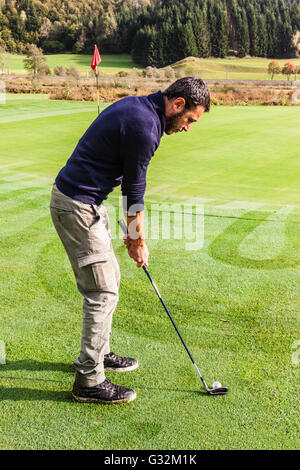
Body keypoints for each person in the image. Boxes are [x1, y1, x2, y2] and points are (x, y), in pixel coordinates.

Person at [50, 77, 210, 404]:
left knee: (110, 279)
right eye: (190, 119)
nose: (188, 128)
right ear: (177, 104)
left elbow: (124, 178)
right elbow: (134, 191)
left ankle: (100, 353)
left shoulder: (141, 108)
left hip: (86, 203)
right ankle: (89, 380)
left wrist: (129, 232)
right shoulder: (145, 127)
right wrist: (137, 240)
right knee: (102, 290)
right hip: (77, 207)